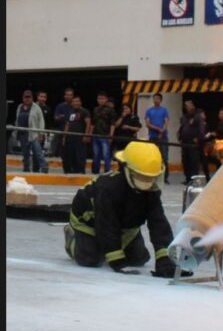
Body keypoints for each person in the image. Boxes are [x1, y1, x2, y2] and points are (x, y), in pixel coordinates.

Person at [63, 141, 190, 278]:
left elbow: (159, 224)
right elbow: (106, 225)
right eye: (142, 176)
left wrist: (166, 261)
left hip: (125, 224)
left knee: (139, 259)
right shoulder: (109, 189)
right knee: (90, 259)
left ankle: (116, 245)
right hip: (90, 223)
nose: (147, 181)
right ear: (126, 169)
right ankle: (71, 239)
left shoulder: (151, 191)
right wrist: (117, 261)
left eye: (151, 177)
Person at [15, 91, 47, 173]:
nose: (27, 99)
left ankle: (44, 168)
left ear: (32, 98)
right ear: (23, 98)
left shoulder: (36, 107)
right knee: (25, 154)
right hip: (23, 134)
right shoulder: (19, 107)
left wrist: (41, 133)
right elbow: (17, 119)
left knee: (38, 152)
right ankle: (26, 169)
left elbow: (41, 121)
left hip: (34, 134)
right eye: (26, 97)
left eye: (29, 97)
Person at [178, 99, 206, 185]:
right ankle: (187, 179)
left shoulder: (197, 116)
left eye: (190, 105)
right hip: (185, 143)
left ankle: (193, 180)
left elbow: (201, 129)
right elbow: (182, 128)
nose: (188, 107)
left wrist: (198, 138)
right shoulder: (184, 117)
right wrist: (179, 137)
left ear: (193, 106)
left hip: (193, 143)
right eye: (186, 105)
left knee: (194, 162)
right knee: (186, 161)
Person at [145, 93, 170, 184]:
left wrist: (162, 131)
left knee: (164, 157)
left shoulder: (164, 110)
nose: (156, 100)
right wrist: (158, 129)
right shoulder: (149, 111)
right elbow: (147, 123)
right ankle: (152, 177)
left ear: (161, 100)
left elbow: (166, 122)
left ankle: (165, 178)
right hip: (152, 136)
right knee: (152, 157)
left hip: (163, 137)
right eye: (154, 98)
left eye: (158, 98)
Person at [62, 95, 92, 174]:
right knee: (70, 156)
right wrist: (64, 137)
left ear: (80, 102)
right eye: (74, 101)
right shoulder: (70, 112)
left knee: (80, 157)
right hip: (70, 138)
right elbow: (67, 124)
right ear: (72, 103)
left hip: (80, 139)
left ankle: (80, 172)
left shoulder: (85, 111)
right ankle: (71, 172)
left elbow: (88, 123)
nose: (76, 103)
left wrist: (86, 135)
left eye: (77, 101)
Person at [91, 91, 117, 175]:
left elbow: (113, 124)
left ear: (106, 99)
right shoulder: (95, 109)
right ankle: (95, 172)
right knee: (96, 155)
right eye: (99, 98)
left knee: (106, 155)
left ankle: (107, 172)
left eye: (102, 98)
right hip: (95, 135)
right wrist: (90, 134)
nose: (100, 100)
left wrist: (111, 135)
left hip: (105, 136)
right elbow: (93, 123)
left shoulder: (111, 110)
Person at [51, 87, 74, 158]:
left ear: (73, 96)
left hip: (72, 131)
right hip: (61, 129)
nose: (69, 96)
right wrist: (60, 117)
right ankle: (53, 154)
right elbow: (55, 117)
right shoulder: (60, 106)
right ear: (64, 96)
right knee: (56, 139)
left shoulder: (75, 106)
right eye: (67, 95)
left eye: (70, 95)